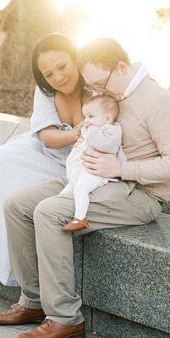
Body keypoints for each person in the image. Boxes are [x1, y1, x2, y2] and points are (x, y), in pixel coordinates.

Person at [0, 37, 170, 338]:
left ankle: (64, 318)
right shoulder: (114, 92)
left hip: (137, 193)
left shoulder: (162, 102)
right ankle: (33, 301)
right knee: (16, 204)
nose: (99, 92)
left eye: (101, 84)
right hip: (88, 178)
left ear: (122, 67)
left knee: (49, 211)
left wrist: (120, 169)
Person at [0, 33, 84, 287]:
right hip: (44, 148)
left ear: (75, 58)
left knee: (10, 190)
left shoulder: (93, 85)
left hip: (72, 163)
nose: (57, 77)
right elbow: (47, 136)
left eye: (62, 67)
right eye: (48, 74)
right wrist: (76, 133)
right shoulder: (46, 91)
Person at [59, 92, 125, 233]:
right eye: (85, 117)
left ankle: (80, 218)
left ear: (107, 118)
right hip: (84, 171)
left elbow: (104, 145)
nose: (86, 121)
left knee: (80, 188)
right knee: (63, 195)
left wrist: (91, 130)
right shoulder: (94, 129)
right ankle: (60, 214)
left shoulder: (112, 130)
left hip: (98, 173)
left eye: (91, 117)